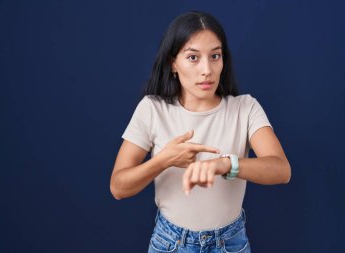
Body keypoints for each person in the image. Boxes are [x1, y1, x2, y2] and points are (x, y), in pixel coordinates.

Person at [110, 11, 291, 253]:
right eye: (193, 57)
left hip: (230, 242)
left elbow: (281, 170)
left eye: (215, 56)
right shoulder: (152, 109)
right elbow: (118, 187)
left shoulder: (245, 108)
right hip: (170, 243)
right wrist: (164, 160)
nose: (207, 69)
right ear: (173, 63)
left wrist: (226, 164)